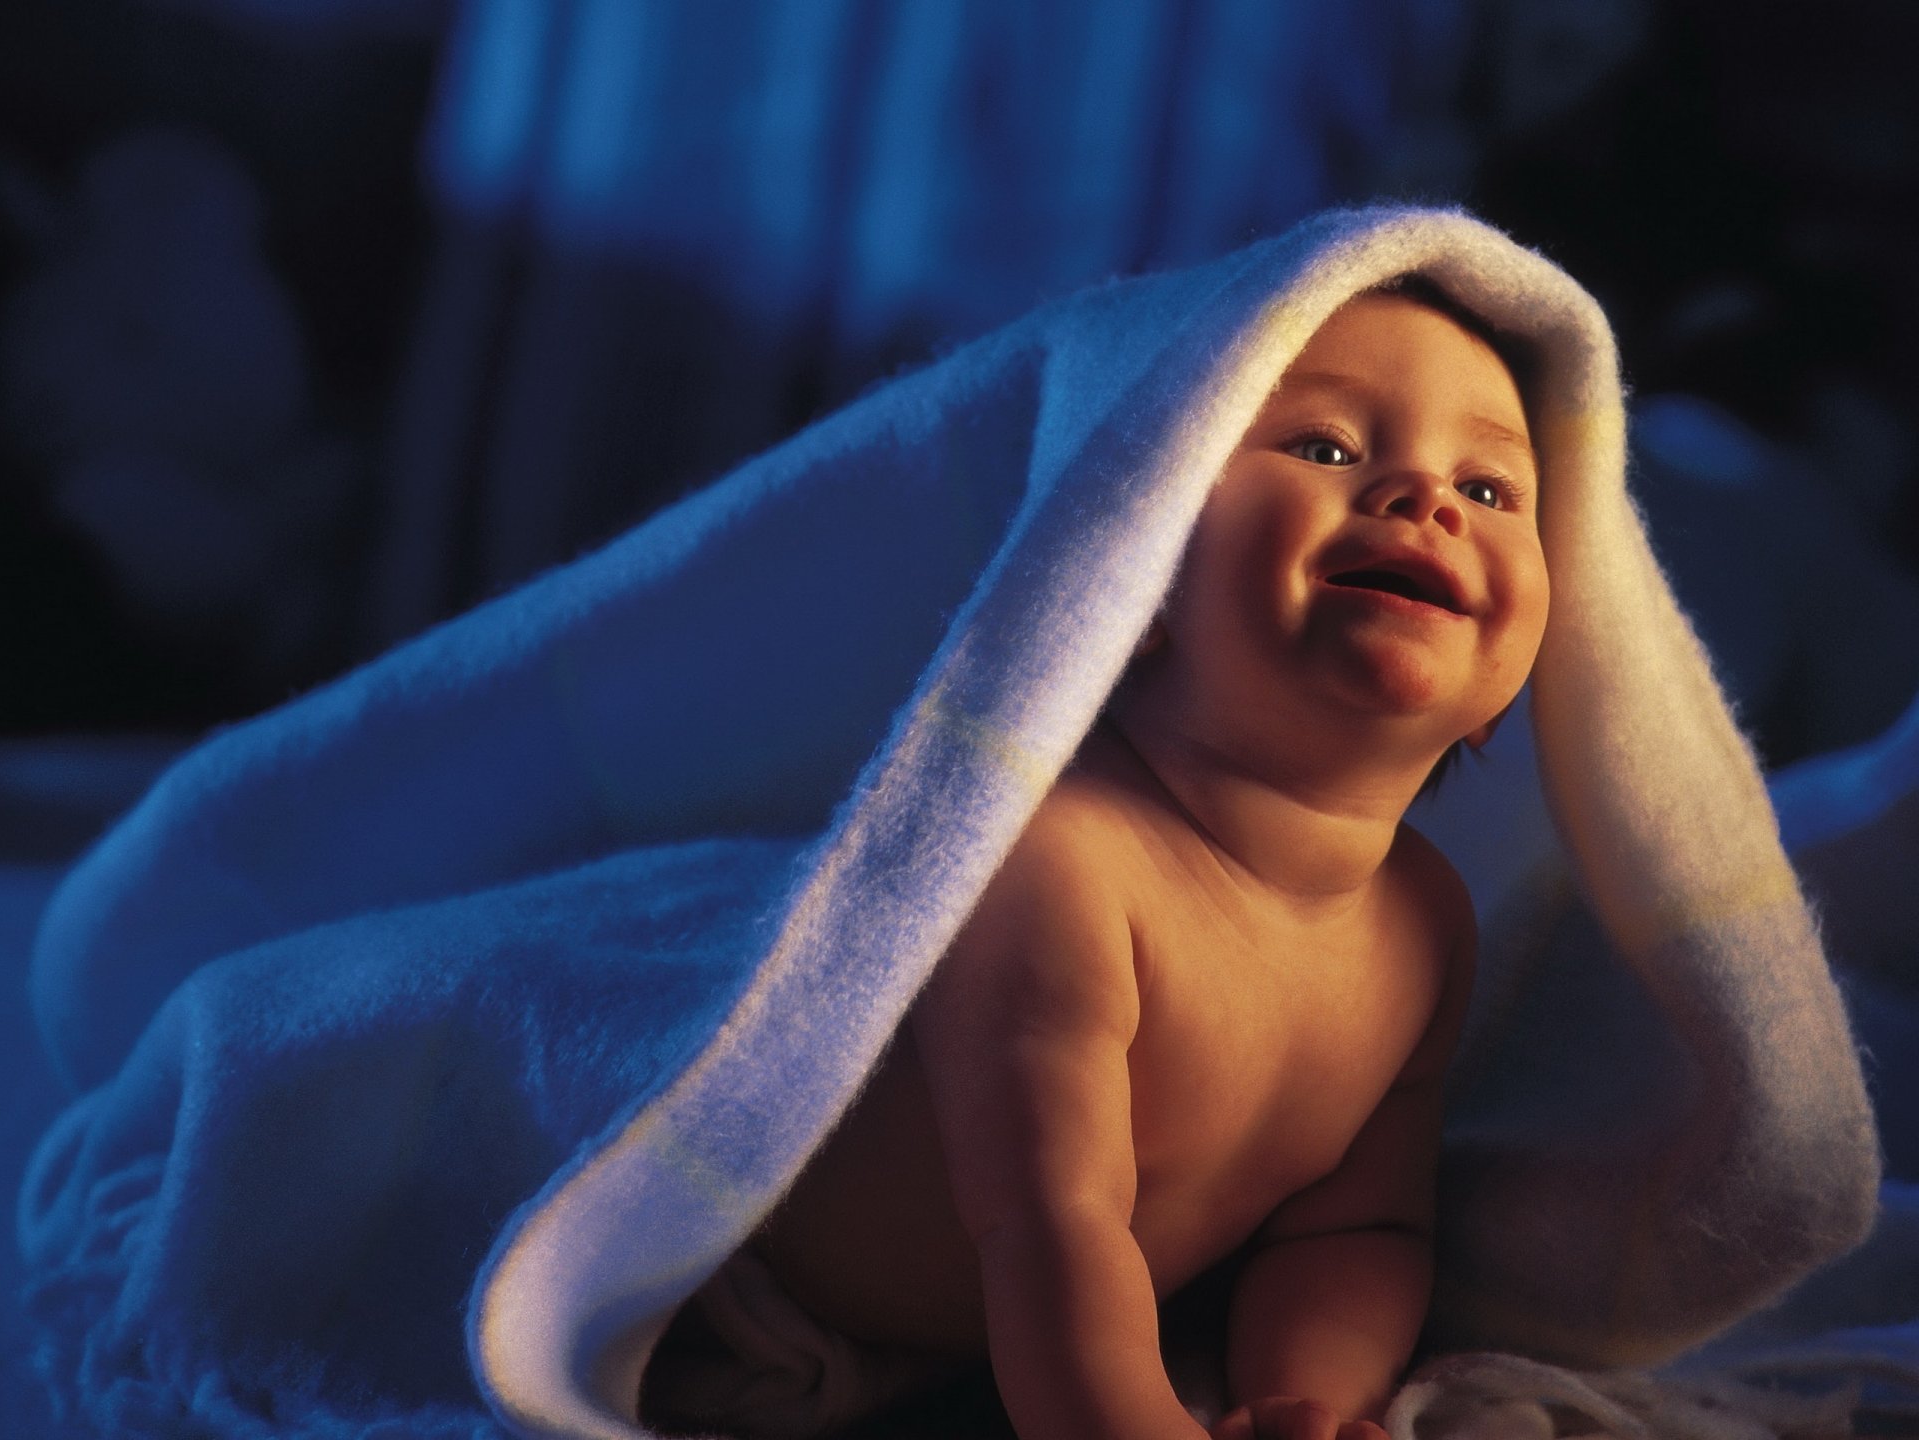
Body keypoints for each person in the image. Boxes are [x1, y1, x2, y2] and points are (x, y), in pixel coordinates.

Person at [643, 278, 1550, 1440]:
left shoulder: (1426, 928)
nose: (1426, 499)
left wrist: (1306, 1405)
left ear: (1502, 693)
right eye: (1323, 444)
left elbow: (1356, 1234)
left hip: (987, 1345)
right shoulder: (1065, 858)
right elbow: (1053, 1221)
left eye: (1489, 487)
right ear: (1142, 564)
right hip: (750, 1291)